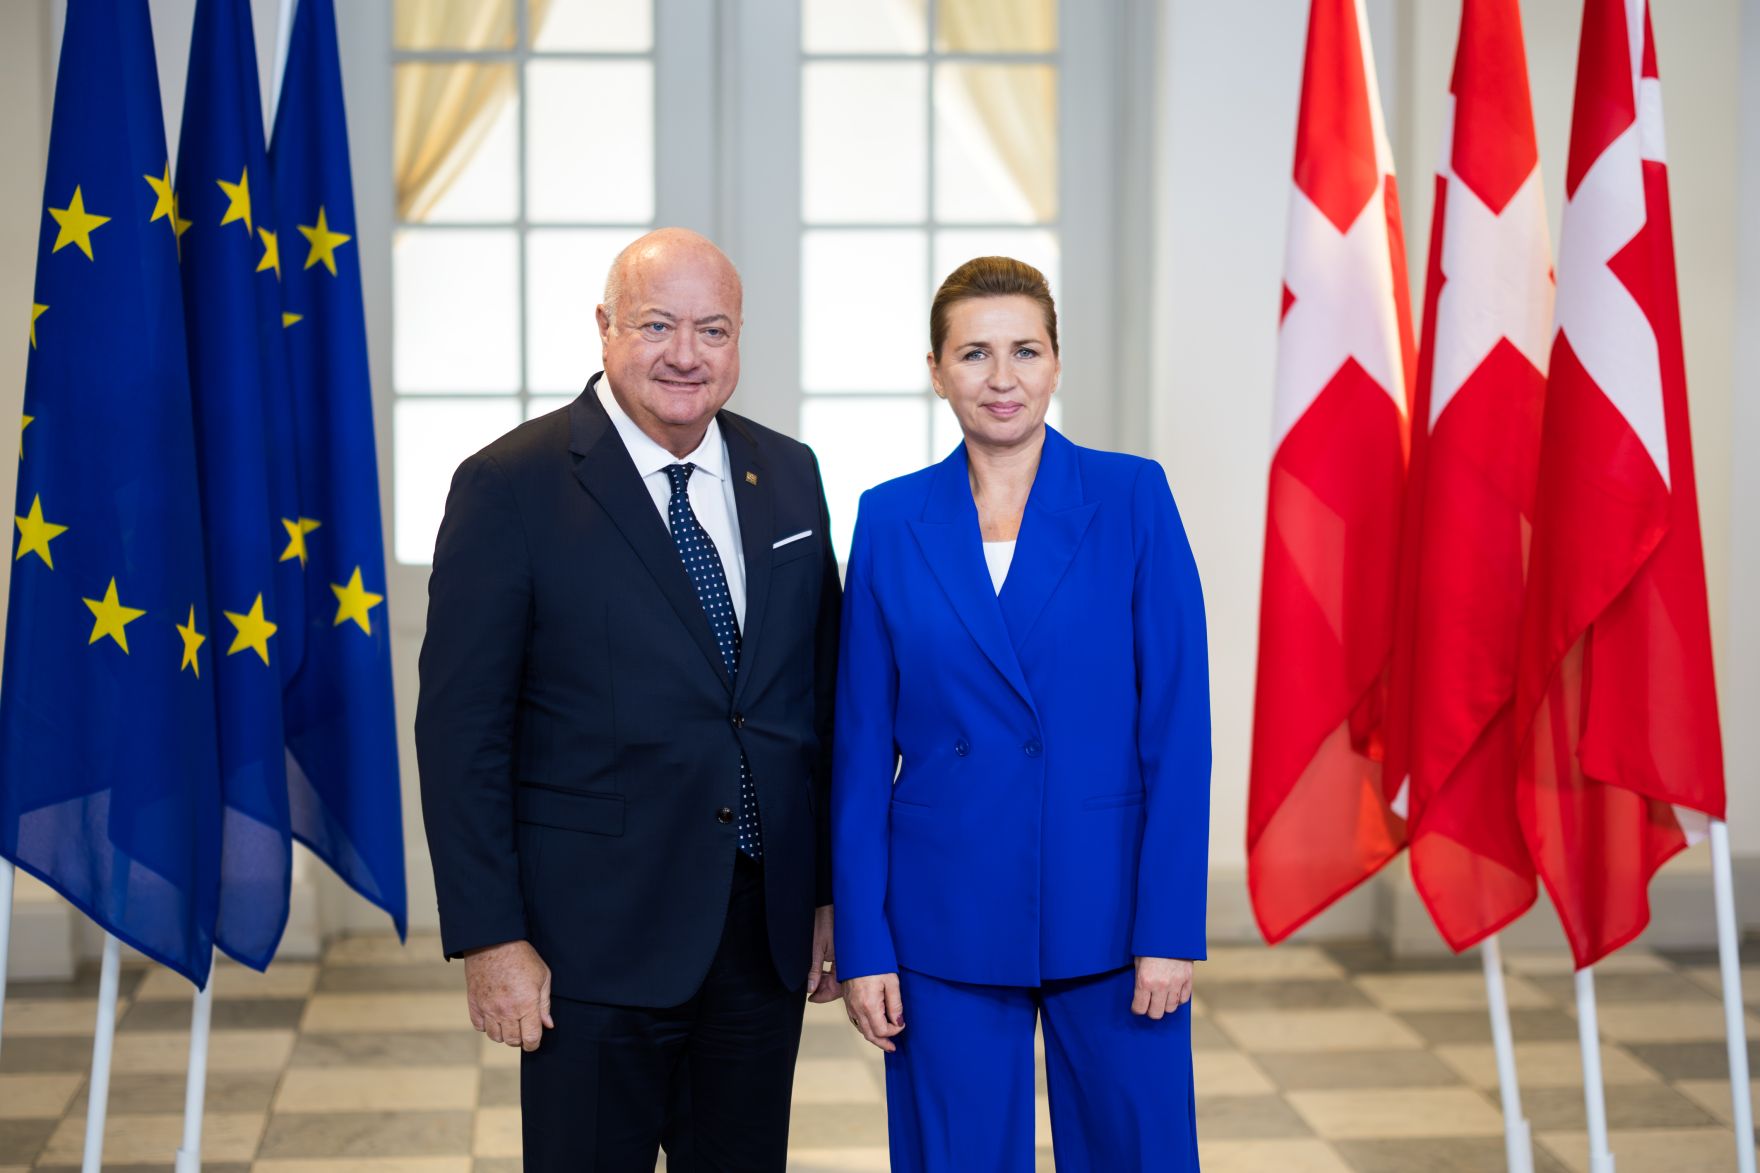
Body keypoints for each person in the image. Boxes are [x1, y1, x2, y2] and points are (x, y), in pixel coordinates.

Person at [416, 228, 843, 1172]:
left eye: (713, 329)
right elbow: (461, 734)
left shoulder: (790, 476)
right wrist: (491, 936)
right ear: (604, 328)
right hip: (589, 948)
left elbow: (817, 706)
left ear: (739, 342)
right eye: (657, 324)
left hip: (757, 937)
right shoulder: (510, 486)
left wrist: (823, 892)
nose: (686, 354)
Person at [832, 256, 1211, 1171]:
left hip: (1111, 907)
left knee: (1140, 1154)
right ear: (935, 370)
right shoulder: (888, 519)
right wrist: (862, 942)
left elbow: (1178, 728)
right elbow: (855, 750)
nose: (1001, 379)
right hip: (940, 914)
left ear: (1056, 363)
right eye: (974, 353)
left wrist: (1169, 928)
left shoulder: (1134, 498)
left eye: (1024, 351)